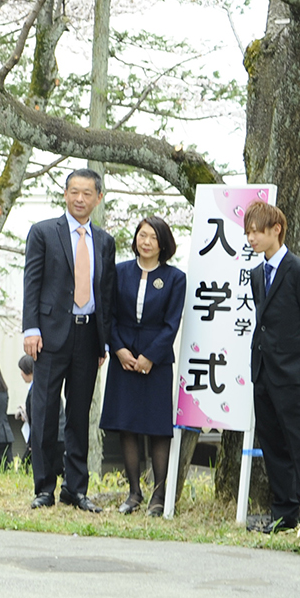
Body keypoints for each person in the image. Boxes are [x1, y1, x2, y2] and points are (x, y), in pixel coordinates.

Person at [22, 168, 116, 512]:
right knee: (45, 411)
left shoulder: (105, 241)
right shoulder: (44, 232)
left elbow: (105, 293)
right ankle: (44, 487)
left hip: (88, 335)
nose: (80, 199)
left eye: (87, 193)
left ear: (98, 198)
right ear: (65, 194)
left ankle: (75, 489)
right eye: (74, 192)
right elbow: (31, 282)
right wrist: (30, 328)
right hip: (49, 336)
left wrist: (103, 340)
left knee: (79, 415)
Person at [243, 201, 300, 532]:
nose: (251, 239)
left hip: (294, 373)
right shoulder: (256, 273)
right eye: (248, 232)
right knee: (273, 444)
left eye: (256, 231)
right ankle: (284, 512)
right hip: (263, 370)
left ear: (275, 230)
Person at [99, 216, 187, 516]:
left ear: (163, 243)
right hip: (123, 355)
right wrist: (120, 350)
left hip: (157, 361)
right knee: (127, 426)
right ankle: (134, 492)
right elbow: (107, 315)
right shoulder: (120, 271)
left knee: (158, 429)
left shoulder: (175, 278)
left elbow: (171, 324)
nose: (145, 241)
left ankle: (159, 496)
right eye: (141, 235)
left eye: (152, 237)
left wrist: (150, 356)